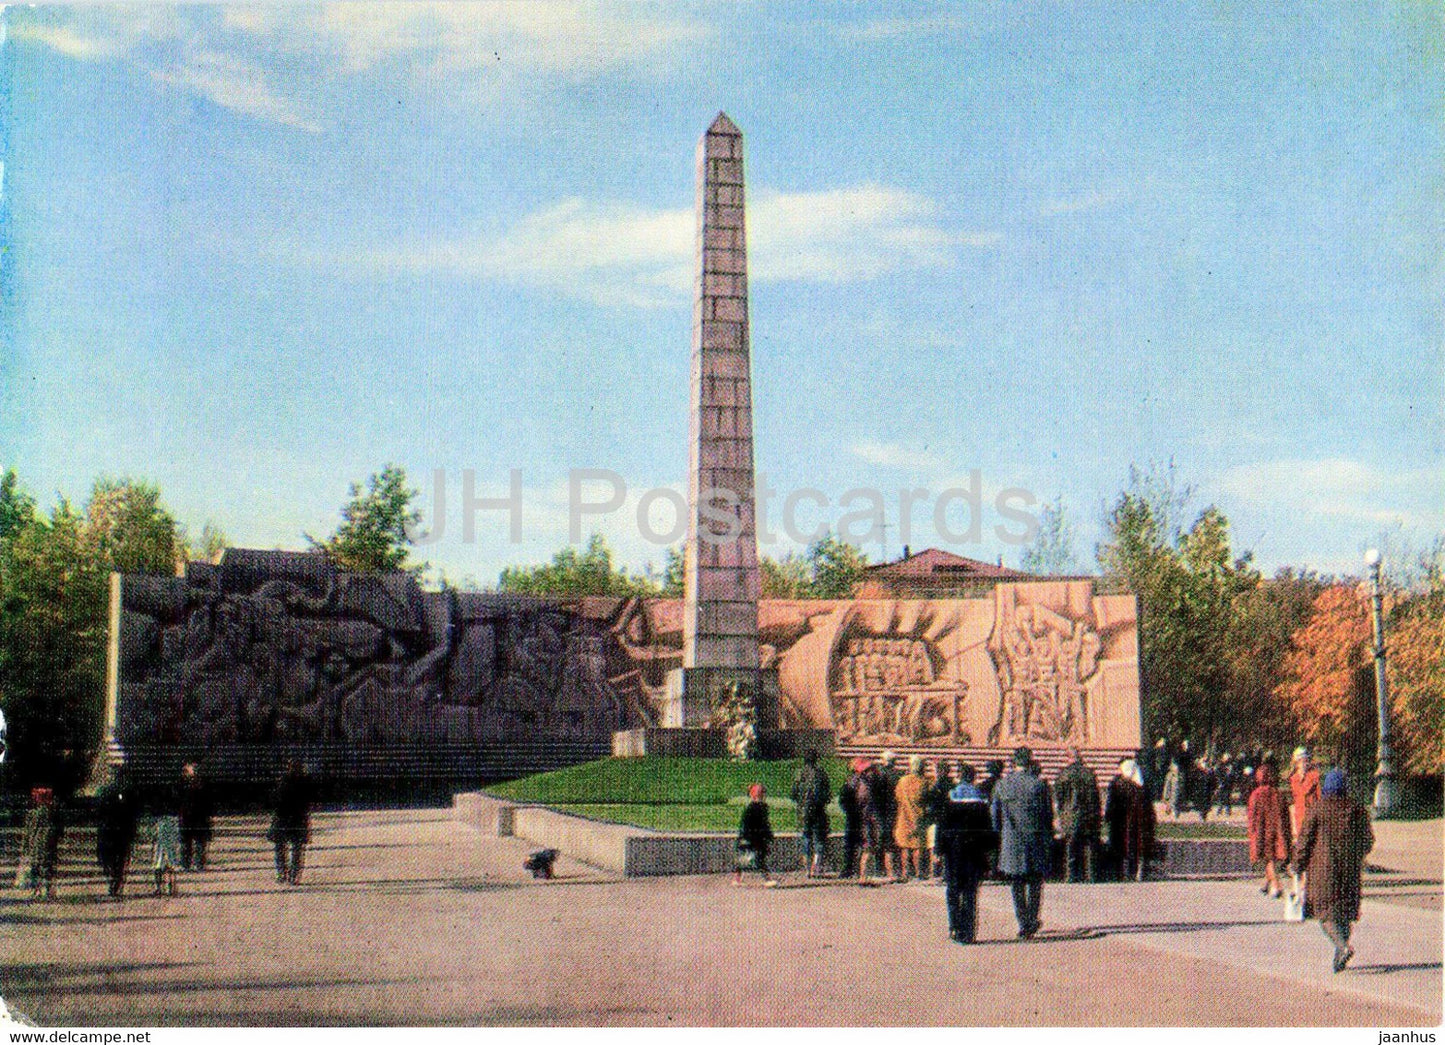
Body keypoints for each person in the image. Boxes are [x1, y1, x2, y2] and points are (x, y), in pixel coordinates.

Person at [1293, 768, 1373, 973]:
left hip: (1324, 871)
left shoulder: (1318, 808)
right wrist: (1356, 856)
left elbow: (1305, 840)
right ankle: (1340, 954)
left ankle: (1342, 946)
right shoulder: (1357, 809)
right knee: (1344, 912)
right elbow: (1368, 840)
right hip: (1350, 871)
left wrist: (1297, 864)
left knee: (1325, 913)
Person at [991, 746, 1054, 939]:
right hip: (1035, 840)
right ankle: (1032, 919)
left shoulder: (1002, 785)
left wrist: (1000, 834)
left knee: (1016, 883)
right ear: (1030, 761)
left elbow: (995, 815)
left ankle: (1023, 921)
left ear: (1014, 761)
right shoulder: (1039, 785)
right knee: (1035, 882)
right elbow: (1048, 815)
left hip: (1012, 840)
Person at [937, 764, 997, 944]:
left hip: (954, 852)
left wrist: (939, 849)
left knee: (953, 890)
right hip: (974, 852)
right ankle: (969, 931)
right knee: (970, 893)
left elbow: (942, 827)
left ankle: (955, 926)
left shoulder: (951, 798)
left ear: (959, 777)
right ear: (973, 778)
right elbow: (988, 830)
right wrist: (990, 852)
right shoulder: (981, 801)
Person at [1054, 747, 1101, 883]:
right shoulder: (1089, 774)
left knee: (1071, 845)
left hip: (1070, 814)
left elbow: (1059, 796)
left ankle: (1071, 875)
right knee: (1089, 845)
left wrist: (1061, 812)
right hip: (1088, 814)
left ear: (1068, 758)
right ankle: (1091, 875)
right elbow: (1095, 796)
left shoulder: (1063, 774)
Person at [1104, 759, 1155, 881]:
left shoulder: (1117, 784)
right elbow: (1149, 809)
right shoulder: (1141, 786)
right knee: (1135, 847)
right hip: (1137, 824)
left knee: (1122, 847)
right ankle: (1135, 872)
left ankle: (1121, 873)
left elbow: (1111, 804)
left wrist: (1108, 817)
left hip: (1120, 823)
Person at [1247, 762, 1292, 898]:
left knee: (1267, 859)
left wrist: (1252, 831)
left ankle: (1276, 885)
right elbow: (1286, 814)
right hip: (1277, 830)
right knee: (1271, 857)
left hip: (1262, 831)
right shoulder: (1278, 794)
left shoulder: (1256, 794)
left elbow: (1252, 815)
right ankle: (1266, 884)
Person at [95, 770, 141, 898]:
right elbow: (134, 814)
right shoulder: (127, 792)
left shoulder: (105, 792)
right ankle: (115, 880)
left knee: (108, 858)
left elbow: (97, 812)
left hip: (110, 830)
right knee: (118, 860)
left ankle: (114, 880)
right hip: (119, 831)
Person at [269, 759, 313, 886]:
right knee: (296, 848)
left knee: (283, 847)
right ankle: (292, 874)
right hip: (296, 818)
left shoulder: (283, 781)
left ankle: (285, 872)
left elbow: (275, 799)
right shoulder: (305, 782)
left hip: (285, 818)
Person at [790, 749, 831, 878]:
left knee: (806, 837)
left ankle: (807, 867)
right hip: (818, 810)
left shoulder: (799, 774)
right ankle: (816, 866)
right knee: (819, 838)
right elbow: (828, 795)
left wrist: (801, 801)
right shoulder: (821, 774)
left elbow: (793, 794)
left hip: (803, 811)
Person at [17, 788, 63, 900]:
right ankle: (49, 891)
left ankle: (36, 890)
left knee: (35, 869)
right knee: (48, 869)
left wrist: (24, 847)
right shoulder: (53, 814)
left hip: (34, 845)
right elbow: (59, 831)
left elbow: (27, 833)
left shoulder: (32, 814)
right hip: (48, 845)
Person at [892, 756, 928, 881]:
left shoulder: (902, 781)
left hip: (904, 817)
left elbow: (897, 797)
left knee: (905, 846)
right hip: (918, 817)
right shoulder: (923, 782)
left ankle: (905, 872)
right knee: (917, 846)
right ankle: (919, 872)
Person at [734, 783, 776, 887]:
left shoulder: (753, 807)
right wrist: (768, 835)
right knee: (758, 859)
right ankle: (767, 879)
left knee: (744, 859)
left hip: (750, 837)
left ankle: (737, 879)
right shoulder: (758, 808)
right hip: (754, 838)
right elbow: (763, 824)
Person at [852, 758, 886, 884]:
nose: (872, 772)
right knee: (868, 846)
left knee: (869, 846)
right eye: (869, 770)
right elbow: (864, 802)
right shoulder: (864, 786)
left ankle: (864, 875)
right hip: (866, 818)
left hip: (865, 818)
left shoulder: (862, 783)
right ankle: (863, 875)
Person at [178, 763, 213, 871]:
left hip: (199, 816)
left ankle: (199, 864)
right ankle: (186, 864)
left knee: (199, 843)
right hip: (187, 816)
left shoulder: (203, 785)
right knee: (186, 843)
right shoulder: (183, 785)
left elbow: (208, 802)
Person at [1287, 747, 1321, 836]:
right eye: (1301, 761)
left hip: (1313, 814)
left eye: (1306, 761)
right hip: (1300, 815)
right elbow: (1295, 797)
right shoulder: (1293, 779)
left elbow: (1319, 796)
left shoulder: (1315, 776)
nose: (1304, 763)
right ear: (1296, 763)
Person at [838, 767, 862, 879]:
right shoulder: (863, 784)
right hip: (861, 817)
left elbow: (842, 801)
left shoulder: (848, 784)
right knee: (860, 844)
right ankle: (858, 869)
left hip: (851, 818)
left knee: (849, 845)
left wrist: (848, 810)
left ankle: (847, 869)